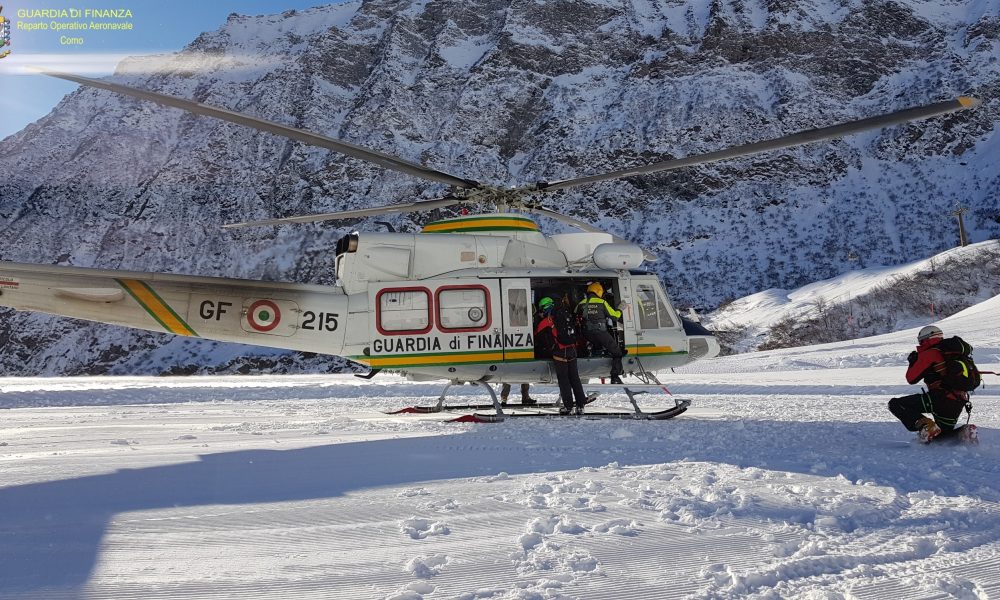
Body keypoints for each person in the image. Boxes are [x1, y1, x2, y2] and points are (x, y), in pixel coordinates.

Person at [888, 325, 973, 442]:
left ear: (926, 339)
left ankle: (925, 426)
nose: (920, 344)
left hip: (939, 398)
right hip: (958, 400)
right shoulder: (953, 353)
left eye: (921, 341)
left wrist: (912, 362)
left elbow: (911, 378)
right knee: (941, 435)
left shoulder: (930, 353)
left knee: (896, 404)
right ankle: (964, 433)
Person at [535, 295, 589, 415]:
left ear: (544, 308)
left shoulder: (547, 320)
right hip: (572, 349)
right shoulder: (565, 314)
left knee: (564, 379)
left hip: (560, 352)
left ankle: (568, 406)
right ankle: (581, 405)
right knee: (575, 378)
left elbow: (537, 333)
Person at [576, 282, 624, 384]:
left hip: (586, 334)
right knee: (617, 352)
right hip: (601, 333)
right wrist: (620, 309)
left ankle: (595, 354)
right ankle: (614, 376)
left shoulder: (581, 303)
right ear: (599, 291)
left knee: (596, 346)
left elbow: (575, 313)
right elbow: (615, 316)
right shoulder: (602, 302)